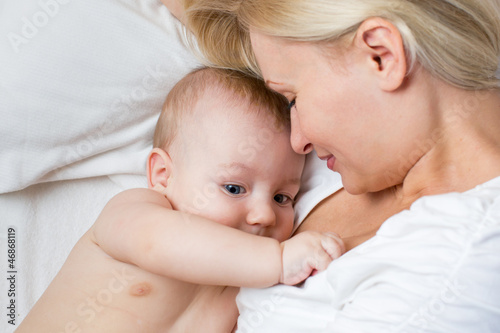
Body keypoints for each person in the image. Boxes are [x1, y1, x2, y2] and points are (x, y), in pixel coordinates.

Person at [164, 0, 500, 331]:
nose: (296, 142)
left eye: (292, 100)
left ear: (381, 56)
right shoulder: (367, 144)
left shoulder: (458, 263)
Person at [15, 67, 345, 333]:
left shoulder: (244, 289)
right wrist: (278, 260)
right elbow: (155, 244)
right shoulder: (137, 211)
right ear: (162, 175)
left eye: (281, 197)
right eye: (233, 188)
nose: (264, 215)